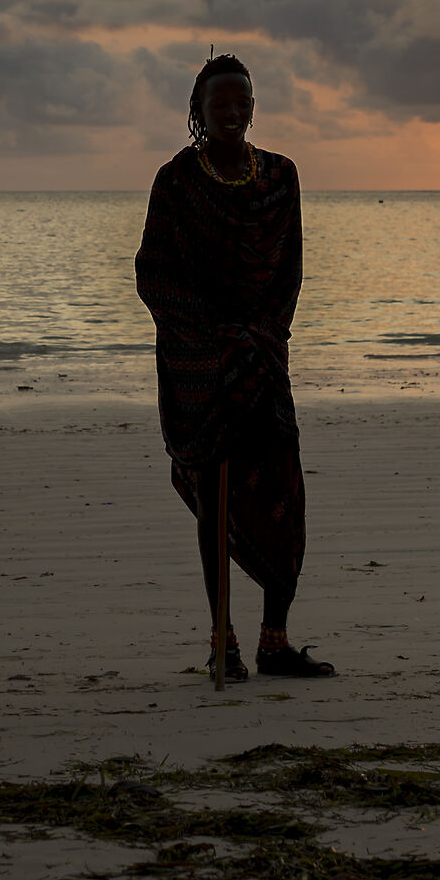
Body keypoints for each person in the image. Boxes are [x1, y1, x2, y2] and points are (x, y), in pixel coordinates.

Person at [135, 55, 333, 681]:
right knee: (212, 493)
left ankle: (274, 638)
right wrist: (213, 336)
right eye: (219, 101)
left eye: (242, 100)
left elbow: (289, 269)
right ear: (197, 111)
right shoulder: (175, 182)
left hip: (264, 354)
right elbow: (154, 274)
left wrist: (264, 333)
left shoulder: (279, 177)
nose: (232, 110)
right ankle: (223, 638)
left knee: (283, 489)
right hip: (199, 359)